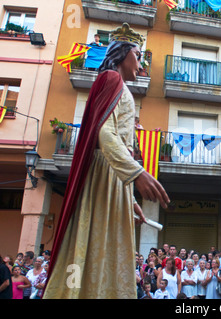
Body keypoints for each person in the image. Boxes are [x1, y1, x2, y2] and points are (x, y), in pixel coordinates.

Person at [43, 23, 170, 299]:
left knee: (107, 247)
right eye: (138, 55)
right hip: (105, 176)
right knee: (99, 244)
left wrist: (130, 199)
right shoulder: (111, 80)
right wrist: (137, 173)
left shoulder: (117, 85)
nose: (141, 63)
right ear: (123, 54)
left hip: (115, 179)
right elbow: (104, 133)